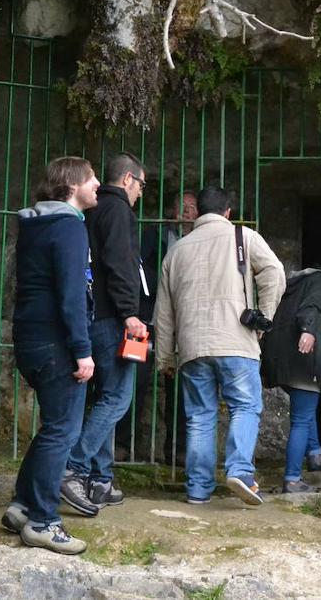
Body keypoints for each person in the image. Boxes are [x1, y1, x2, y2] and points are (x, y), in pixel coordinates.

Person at [154, 186, 285, 505]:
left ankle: (198, 489)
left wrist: (164, 358)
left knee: (199, 415)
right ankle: (240, 470)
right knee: (244, 405)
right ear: (228, 212)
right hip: (236, 340)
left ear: (197, 211)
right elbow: (274, 272)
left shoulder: (177, 251)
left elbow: (163, 312)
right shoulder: (244, 237)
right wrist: (263, 318)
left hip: (191, 346)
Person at [3, 156, 100, 556]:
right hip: (57, 343)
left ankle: (23, 506)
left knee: (52, 429)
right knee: (63, 430)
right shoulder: (68, 227)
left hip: (30, 337)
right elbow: (72, 295)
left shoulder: (36, 225)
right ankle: (44, 521)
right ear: (72, 184)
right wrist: (82, 350)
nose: (97, 184)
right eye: (92, 178)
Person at [61, 153, 148, 515]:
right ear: (128, 179)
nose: (142, 193)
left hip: (91, 315)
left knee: (102, 400)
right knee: (117, 398)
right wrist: (131, 313)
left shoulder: (92, 211)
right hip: (112, 317)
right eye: (142, 185)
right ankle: (74, 468)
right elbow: (119, 264)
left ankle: (100, 478)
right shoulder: (117, 211)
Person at [119, 190, 198, 463]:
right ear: (170, 211)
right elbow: (135, 268)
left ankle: (177, 450)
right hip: (142, 320)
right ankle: (123, 445)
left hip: (180, 325)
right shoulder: (152, 235)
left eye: (191, 207)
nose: (186, 211)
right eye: (181, 206)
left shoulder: (200, 242)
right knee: (132, 380)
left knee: (179, 388)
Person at [261, 261, 321, 493]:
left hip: (282, 359)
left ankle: (315, 455)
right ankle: (292, 479)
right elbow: (311, 307)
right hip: (303, 358)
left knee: (305, 409)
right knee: (301, 420)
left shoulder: (292, 284)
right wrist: (308, 330)